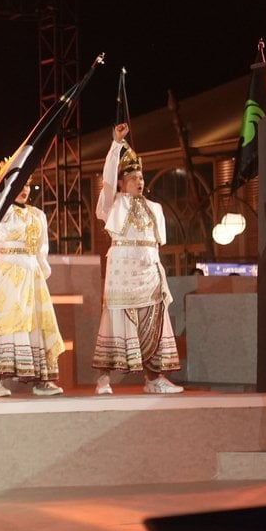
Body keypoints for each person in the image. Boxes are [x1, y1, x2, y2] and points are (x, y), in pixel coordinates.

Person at [92, 124, 183, 394]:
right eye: (132, 178)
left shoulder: (155, 208)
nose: (139, 182)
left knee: (153, 321)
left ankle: (154, 379)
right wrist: (115, 144)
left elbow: (156, 244)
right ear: (122, 182)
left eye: (141, 177)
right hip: (122, 272)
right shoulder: (114, 203)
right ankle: (103, 379)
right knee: (115, 320)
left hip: (149, 271)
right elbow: (108, 179)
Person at [0, 176, 66, 397]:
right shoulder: (3, 210)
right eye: (19, 185)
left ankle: (42, 381)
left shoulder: (38, 214)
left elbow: (42, 247)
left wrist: (40, 272)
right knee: (6, 322)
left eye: (26, 185)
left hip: (32, 271)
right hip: (9, 269)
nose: (24, 190)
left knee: (37, 324)